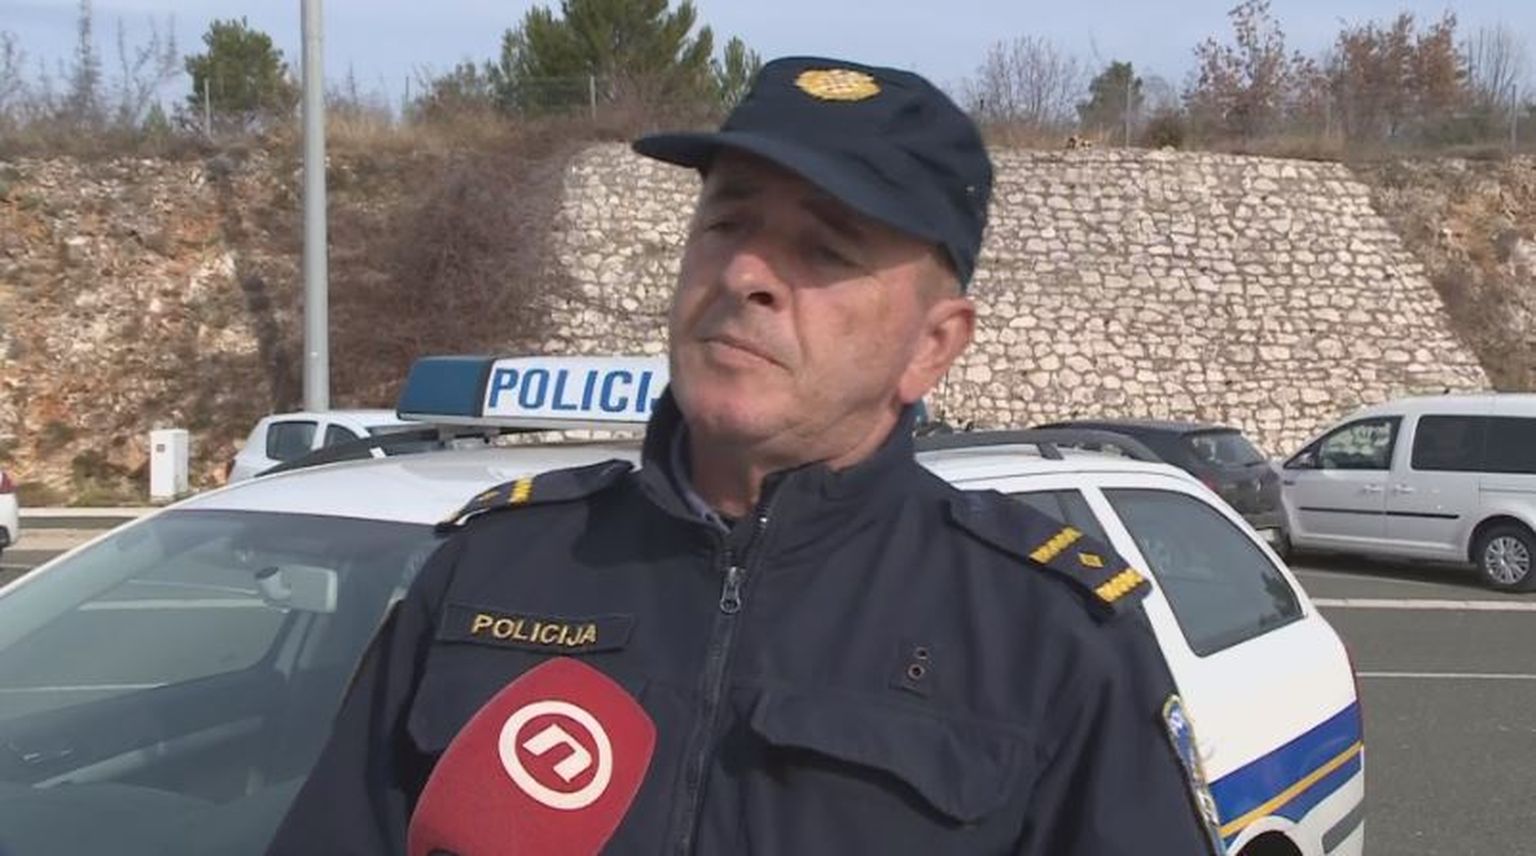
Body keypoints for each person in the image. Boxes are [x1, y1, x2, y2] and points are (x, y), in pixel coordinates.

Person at [268, 56, 1224, 855]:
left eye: (825, 251)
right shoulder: (488, 569)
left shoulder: (1049, 636)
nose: (746, 274)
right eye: (726, 224)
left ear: (932, 346)